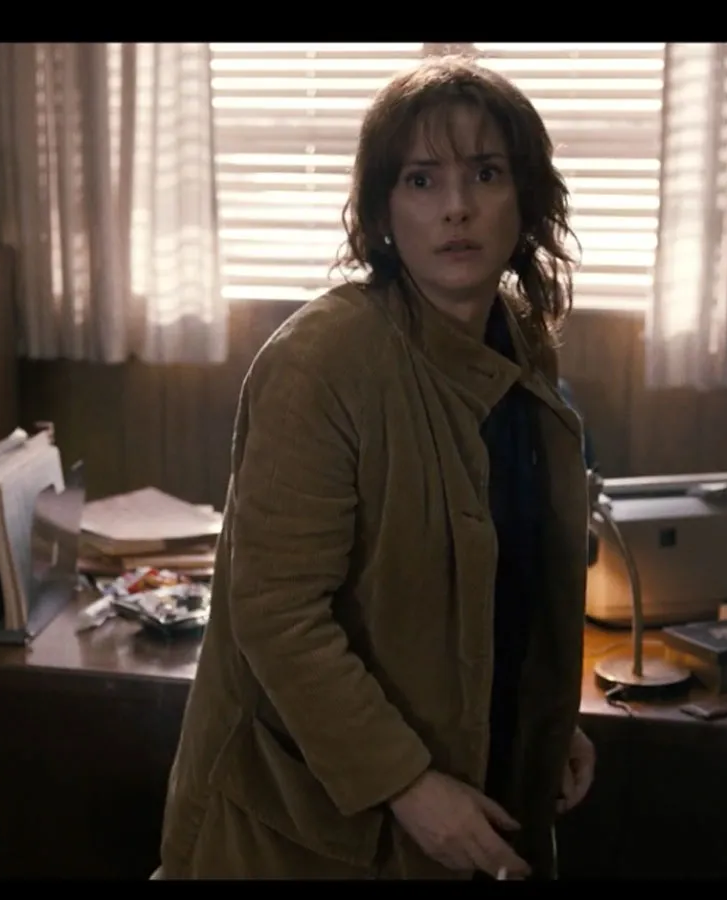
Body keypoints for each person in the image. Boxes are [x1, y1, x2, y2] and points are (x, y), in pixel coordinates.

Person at [158, 54, 595, 881]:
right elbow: (278, 615)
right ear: (383, 212)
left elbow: (500, 583)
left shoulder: (518, 345)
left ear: (526, 196)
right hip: (308, 830)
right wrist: (408, 786)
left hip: (482, 789)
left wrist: (537, 717)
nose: (456, 207)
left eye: (485, 174)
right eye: (421, 180)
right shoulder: (323, 360)